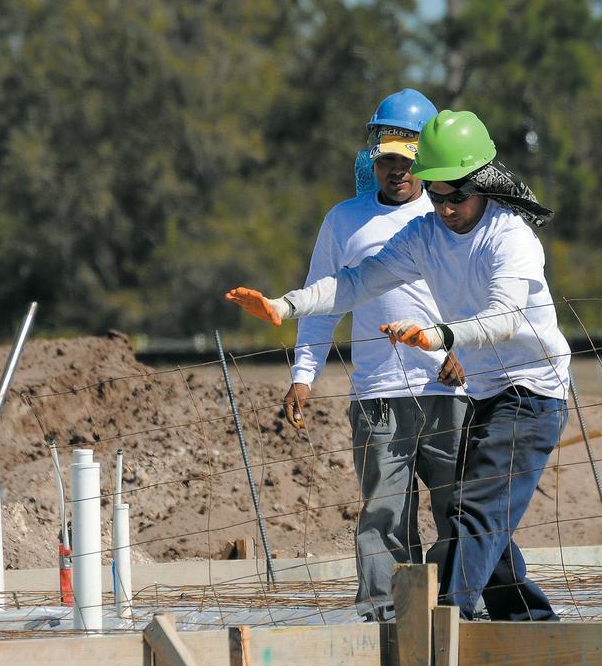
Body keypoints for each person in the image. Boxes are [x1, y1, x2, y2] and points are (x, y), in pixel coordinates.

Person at [226, 109, 570, 622]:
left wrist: (438, 336)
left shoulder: (509, 237)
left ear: (483, 184)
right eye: (437, 194)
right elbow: (357, 281)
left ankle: (444, 623)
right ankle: (531, 628)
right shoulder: (424, 234)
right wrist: (286, 305)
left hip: (532, 390)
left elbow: (506, 317)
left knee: (475, 512)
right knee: (476, 516)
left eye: (457, 196)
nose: (446, 208)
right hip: (484, 392)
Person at [278, 89, 469, 622]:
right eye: (386, 160)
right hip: (378, 395)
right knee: (385, 512)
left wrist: (466, 351)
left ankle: (458, 606)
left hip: (448, 388)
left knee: (458, 505)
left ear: (426, 159)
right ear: (372, 159)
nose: (396, 171)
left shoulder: (449, 214)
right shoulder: (345, 221)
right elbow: (322, 301)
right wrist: (304, 374)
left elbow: (480, 294)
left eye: (407, 161)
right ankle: (387, 615)